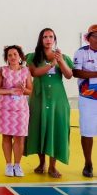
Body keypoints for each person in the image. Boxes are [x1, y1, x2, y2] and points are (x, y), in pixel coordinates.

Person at [25, 28, 73, 178]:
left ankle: (53, 166)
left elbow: (69, 75)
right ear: (41, 39)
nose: (48, 39)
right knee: (39, 128)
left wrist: (60, 61)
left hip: (58, 99)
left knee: (55, 129)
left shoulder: (62, 57)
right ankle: (42, 163)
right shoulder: (33, 57)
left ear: (54, 39)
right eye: (45, 37)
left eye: (51, 37)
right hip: (39, 97)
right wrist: (52, 64)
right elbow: (34, 73)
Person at [0, 45, 33, 177]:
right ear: (6, 58)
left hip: (21, 109)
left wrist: (23, 89)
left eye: (15, 54)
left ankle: (17, 165)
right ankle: (8, 165)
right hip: (5, 108)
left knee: (20, 138)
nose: (12, 57)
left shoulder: (26, 71)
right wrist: (10, 91)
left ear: (20, 56)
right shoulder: (2, 70)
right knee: (6, 136)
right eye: (9, 55)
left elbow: (30, 91)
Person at [73, 24, 97, 178]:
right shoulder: (81, 52)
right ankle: (88, 163)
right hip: (87, 97)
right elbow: (76, 72)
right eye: (96, 36)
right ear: (89, 38)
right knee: (87, 131)